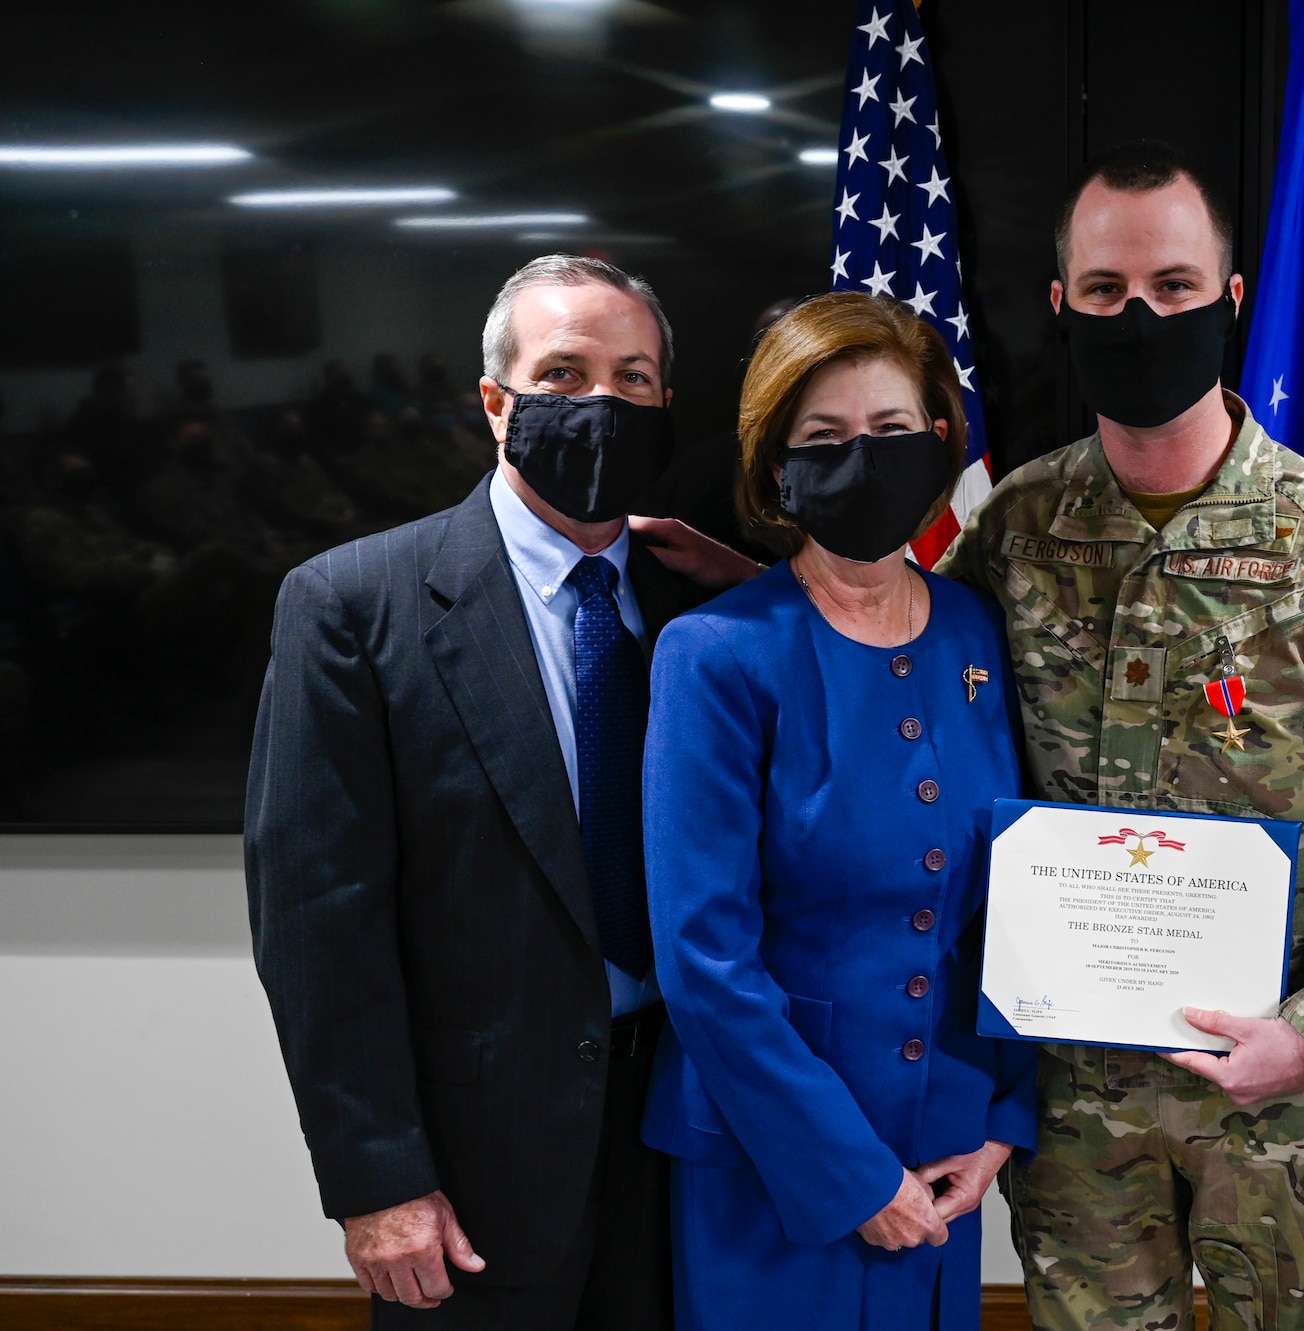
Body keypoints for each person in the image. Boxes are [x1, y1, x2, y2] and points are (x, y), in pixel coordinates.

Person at [936, 139, 1304, 1331]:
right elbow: (911, 710)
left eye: (1171, 286)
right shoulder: (1013, 529)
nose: (1140, 314)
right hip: (1074, 1098)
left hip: (1281, 1101)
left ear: (1229, 300)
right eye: (1105, 292)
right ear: (1060, 306)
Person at [246, 253, 745, 1328]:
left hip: (685, 1130)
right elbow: (317, 922)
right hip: (473, 1163)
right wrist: (376, 1179)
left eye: (634, 377)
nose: (601, 403)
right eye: (562, 374)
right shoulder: (351, 604)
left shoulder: (705, 601)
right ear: (495, 400)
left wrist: (761, 587)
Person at [639, 291, 1038, 1331]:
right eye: (825, 437)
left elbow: (1015, 898)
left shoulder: (976, 627)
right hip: (774, 1166)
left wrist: (1002, 1118)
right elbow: (702, 958)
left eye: (892, 432)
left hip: (947, 1154)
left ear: (940, 439)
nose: (863, 457)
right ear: (778, 465)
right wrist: (850, 1174)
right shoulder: (716, 652)